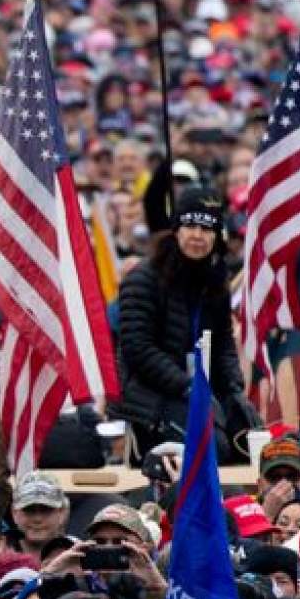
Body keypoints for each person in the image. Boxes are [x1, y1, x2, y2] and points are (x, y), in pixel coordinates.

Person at [113, 189, 248, 456]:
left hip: (200, 393)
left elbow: (224, 344)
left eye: (207, 228)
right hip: (152, 400)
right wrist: (187, 387)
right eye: (190, 226)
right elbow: (137, 348)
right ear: (176, 230)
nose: (197, 235)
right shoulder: (142, 278)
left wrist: (235, 390)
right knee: (214, 450)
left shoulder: (215, 282)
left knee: (246, 439)